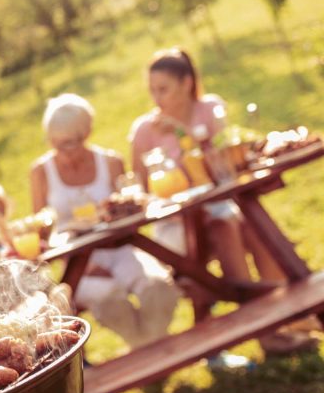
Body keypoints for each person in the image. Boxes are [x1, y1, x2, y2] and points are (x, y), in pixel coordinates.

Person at [130, 47, 315, 357]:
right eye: (152, 90)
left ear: (187, 82)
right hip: (175, 224)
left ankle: (286, 317)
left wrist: (182, 132)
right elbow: (137, 190)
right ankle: (269, 329)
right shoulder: (144, 131)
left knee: (250, 228)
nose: (156, 98)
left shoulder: (210, 109)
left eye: (163, 89)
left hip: (219, 207)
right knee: (229, 224)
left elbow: (223, 163)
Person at [31, 94, 179, 349]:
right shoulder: (41, 171)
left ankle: (147, 351)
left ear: (86, 133)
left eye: (70, 143)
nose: (63, 152)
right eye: (56, 144)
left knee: (157, 287)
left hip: (122, 249)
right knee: (110, 300)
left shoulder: (110, 162)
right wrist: (81, 262)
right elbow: (41, 229)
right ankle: (153, 352)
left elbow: (131, 211)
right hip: (78, 261)